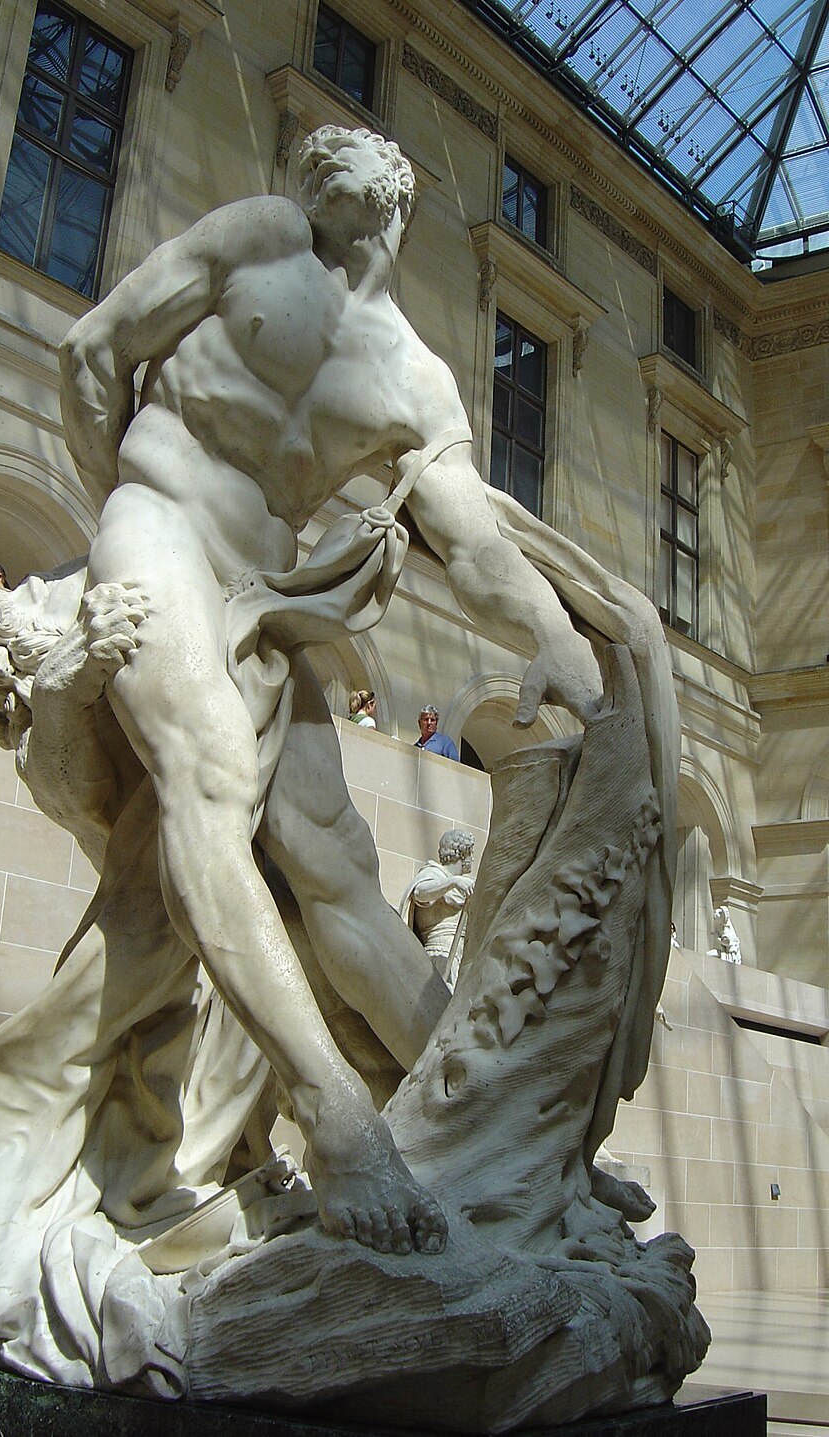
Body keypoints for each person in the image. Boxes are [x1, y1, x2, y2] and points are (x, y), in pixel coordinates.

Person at [58, 123, 603, 1257]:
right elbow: (93, 350)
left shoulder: (415, 379)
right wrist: (116, 518)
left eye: (348, 148)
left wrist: (554, 632)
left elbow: (471, 544)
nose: (320, 158)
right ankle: (338, 1119)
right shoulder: (259, 237)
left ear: (399, 195)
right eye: (313, 152)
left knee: (339, 865)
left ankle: (501, 1116)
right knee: (212, 773)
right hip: (159, 525)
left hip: (264, 594)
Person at [399, 829, 475, 986]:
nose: (472, 859)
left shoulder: (465, 886)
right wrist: (453, 882)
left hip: (459, 958)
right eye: (470, 853)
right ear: (462, 854)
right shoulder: (434, 873)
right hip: (440, 955)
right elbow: (420, 892)